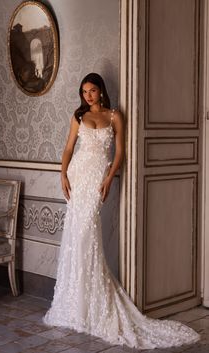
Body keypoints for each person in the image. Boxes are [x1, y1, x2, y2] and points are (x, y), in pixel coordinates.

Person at [43, 73, 200, 349]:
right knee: (74, 238)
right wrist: (63, 175)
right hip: (77, 177)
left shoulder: (115, 116)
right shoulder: (78, 116)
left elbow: (119, 154)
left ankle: (93, 303)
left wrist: (108, 178)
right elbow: (68, 149)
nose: (88, 96)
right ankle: (74, 304)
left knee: (86, 237)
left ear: (101, 91)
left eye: (92, 91)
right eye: (84, 92)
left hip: (95, 182)